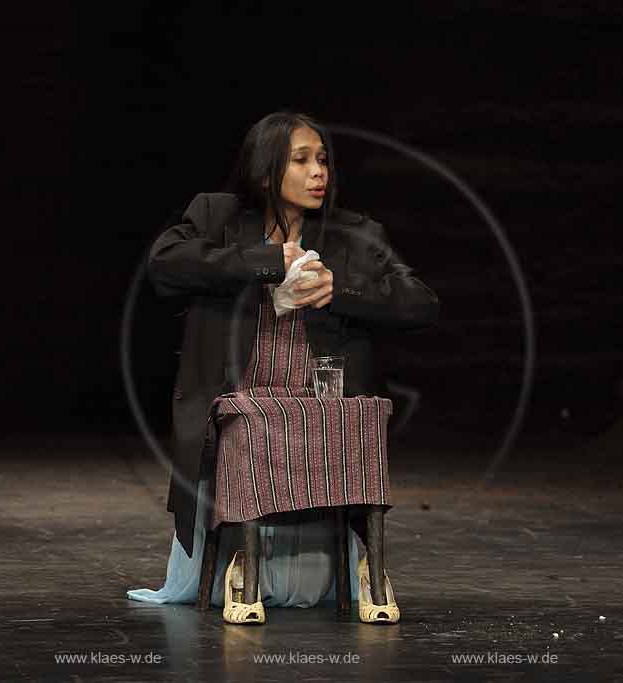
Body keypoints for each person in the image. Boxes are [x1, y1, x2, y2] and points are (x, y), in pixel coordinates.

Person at [127, 112, 440, 624]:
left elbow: (421, 302)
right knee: (253, 417)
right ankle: (243, 560)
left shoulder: (355, 232)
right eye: (302, 160)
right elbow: (166, 263)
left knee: (355, 415)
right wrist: (267, 260)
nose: (320, 172)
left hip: (320, 389)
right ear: (266, 170)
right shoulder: (216, 215)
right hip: (244, 386)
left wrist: (344, 290)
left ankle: (371, 564)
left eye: (323, 160)